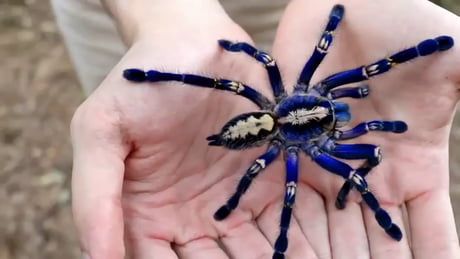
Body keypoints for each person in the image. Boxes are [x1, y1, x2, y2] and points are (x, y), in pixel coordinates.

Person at [52, 0, 460, 258]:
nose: (339, 103)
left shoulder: (305, 90)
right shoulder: (317, 143)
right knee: (325, 172)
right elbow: (323, 61)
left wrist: (347, 10)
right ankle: (156, 71)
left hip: (270, 98)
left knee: (238, 84)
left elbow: (277, 59)